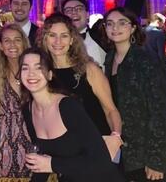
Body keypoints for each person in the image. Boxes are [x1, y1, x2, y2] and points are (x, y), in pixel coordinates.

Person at [20, 47, 123, 182]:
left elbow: (101, 161)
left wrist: (52, 164)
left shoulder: (67, 106)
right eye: (25, 68)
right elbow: (42, 164)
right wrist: (48, 166)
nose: (31, 73)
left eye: (38, 68)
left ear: (50, 75)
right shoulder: (28, 110)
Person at [103, 7, 166, 181]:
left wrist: (155, 160)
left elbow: (158, 111)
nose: (115, 28)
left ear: (133, 28)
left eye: (122, 23)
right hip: (127, 150)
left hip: (150, 151)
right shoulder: (110, 58)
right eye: (110, 24)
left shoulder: (145, 59)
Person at [37, 13, 122, 148]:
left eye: (64, 36)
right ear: (44, 39)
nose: (58, 41)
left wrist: (115, 138)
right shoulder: (41, 73)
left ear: (71, 40)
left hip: (95, 145)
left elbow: (111, 110)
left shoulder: (89, 69)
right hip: (63, 150)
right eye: (52, 35)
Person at [0, 23, 31, 181]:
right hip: (8, 138)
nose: (12, 45)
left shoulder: (35, 68)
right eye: (7, 41)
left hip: (35, 133)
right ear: (0, 45)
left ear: (24, 43)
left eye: (17, 40)